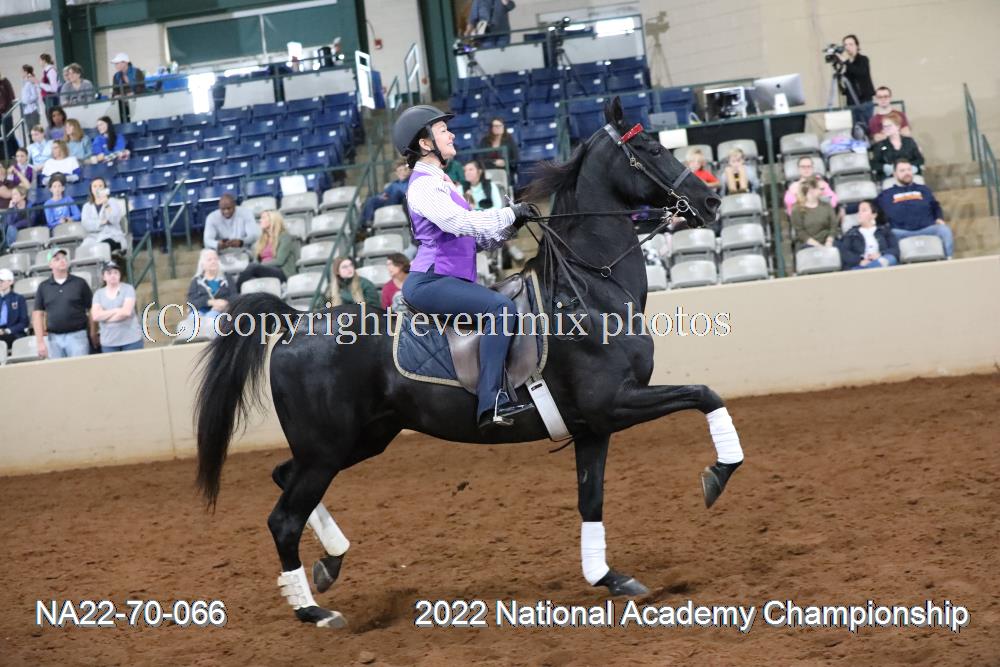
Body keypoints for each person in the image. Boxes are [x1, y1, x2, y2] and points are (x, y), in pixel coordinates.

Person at [391, 104, 535, 430]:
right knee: (500, 309)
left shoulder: (442, 182)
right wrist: (508, 213)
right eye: (443, 130)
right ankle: (491, 402)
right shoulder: (424, 185)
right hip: (430, 281)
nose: (451, 135)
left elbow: (473, 240)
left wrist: (512, 225)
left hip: (448, 278)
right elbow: (458, 222)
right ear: (425, 143)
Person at [876, 159, 953, 258]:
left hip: (927, 228)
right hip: (900, 231)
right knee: (887, 235)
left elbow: (935, 206)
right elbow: (872, 208)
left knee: (944, 230)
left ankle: (948, 259)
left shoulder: (924, 189)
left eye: (909, 170)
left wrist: (939, 218)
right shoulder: (886, 194)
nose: (907, 173)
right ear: (895, 174)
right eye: (902, 171)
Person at [32, 247, 94, 359]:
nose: (62, 261)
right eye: (57, 259)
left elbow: (91, 309)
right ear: (50, 265)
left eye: (64, 258)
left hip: (78, 335)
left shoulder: (80, 283)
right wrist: (40, 342)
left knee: (79, 369)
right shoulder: (43, 287)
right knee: (57, 370)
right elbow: (37, 314)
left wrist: (93, 333)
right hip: (53, 338)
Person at [234, 209, 299, 290]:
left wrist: (260, 265)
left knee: (253, 267)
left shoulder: (285, 237)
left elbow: (279, 261)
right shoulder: (262, 239)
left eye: (263, 218)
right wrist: (258, 265)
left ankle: (235, 291)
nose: (260, 220)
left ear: (272, 219)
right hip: (265, 270)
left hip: (282, 272)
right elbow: (256, 260)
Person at [90, 261, 143, 353]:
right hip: (109, 342)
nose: (113, 275)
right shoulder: (98, 294)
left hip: (131, 339)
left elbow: (126, 312)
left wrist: (104, 317)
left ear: (120, 275)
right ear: (103, 277)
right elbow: (96, 316)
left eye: (116, 272)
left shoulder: (128, 289)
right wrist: (117, 310)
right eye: (109, 273)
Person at [839, 200, 899, 270]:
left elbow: (895, 249)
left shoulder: (884, 231)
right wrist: (859, 261)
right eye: (859, 211)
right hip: (860, 264)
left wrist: (880, 254)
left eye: (864, 210)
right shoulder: (851, 233)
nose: (859, 213)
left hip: (880, 260)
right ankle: (869, 268)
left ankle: (868, 268)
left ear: (874, 215)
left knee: (890, 258)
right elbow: (845, 252)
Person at [185, 249, 233, 334]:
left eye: (215, 259)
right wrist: (210, 302)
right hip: (201, 310)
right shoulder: (196, 281)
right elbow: (191, 302)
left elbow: (235, 296)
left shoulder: (226, 278)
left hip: (222, 311)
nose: (213, 262)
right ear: (202, 264)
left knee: (211, 317)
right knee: (193, 318)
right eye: (209, 260)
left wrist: (225, 303)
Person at [80, 177, 128, 253]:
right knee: (83, 250)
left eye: (100, 186)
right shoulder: (86, 206)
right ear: (91, 190)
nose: (97, 188)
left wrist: (106, 203)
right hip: (93, 238)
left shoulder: (112, 202)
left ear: (105, 188)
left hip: (112, 236)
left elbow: (115, 219)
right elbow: (86, 224)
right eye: (95, 186)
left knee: (104, 247)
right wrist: (102, 222)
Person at [790, 176, 839, 251]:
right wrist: (818, 246)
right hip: (808, 244)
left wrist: (829, 241)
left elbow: (833, 226)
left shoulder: (827, 205)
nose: (823, 191)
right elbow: (800, 232)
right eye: (821, 189)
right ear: (811, 189)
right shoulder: (797, 209)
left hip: (828, 242)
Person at [835, 34, 875, 124]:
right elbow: (842, 86)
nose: (848, 47)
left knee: (866, 127)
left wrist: (846, 62)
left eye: (851, 44)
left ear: (857, 46)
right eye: (845, 45)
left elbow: (860, 73)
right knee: (854, 128)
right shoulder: (844, 64)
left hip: (864, 101)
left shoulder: (863, 59)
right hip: (851, 102)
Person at [870, 113, 924, 177]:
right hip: (890, 176)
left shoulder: (909, 141)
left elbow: (920, 160)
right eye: (884, 127)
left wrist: (906, 167)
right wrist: (886, 167)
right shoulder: (881, 145)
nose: (885, 129)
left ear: (897, 126)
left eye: (889, 126)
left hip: (909, 175)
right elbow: (874, 164)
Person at [360, 160, 410, 227]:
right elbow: (384, 194)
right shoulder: (394, 184)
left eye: (405, 169)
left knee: (396, 192)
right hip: (389, 201)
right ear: (396, 173)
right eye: (400, 170)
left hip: (400, 202)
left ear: (408, 170)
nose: (403, 172)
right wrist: (381, 197)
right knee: (371, 200)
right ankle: (367, 222)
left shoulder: (410, 182)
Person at [0, 267, 30, 349]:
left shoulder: (19, 298)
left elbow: (24, 322)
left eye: (2, 281)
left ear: (10, 282)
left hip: (12, 333)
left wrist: (7, 331)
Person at [0, 71, 17, 159]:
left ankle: (13, 153)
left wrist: (8, 108)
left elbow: (11, 96)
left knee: (9, 133)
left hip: (6, 111)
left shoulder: (4, 81)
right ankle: (2, 155)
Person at [20, 65, 42, 132]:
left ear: (26, 72)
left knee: (36, 129)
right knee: (30, 131)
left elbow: (35, 96)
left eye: (22, 71)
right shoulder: (24, 82)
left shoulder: (31, 81)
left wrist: (26, 101)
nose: (21, 73)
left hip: (33, 110)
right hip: (26, 111)